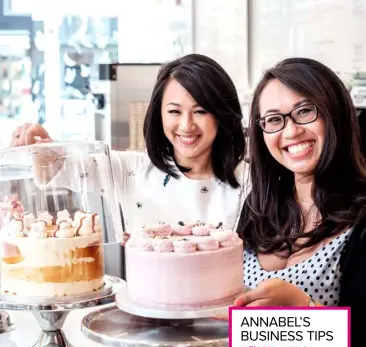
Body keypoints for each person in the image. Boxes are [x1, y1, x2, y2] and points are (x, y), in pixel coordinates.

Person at [226, 57, 366, 347]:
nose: (290, 131)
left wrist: (303, 309)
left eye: (304, 111)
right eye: (274, 120)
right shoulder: (260, 206)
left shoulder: (361, 219)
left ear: (336, 115)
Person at [10, 54, 248, 233]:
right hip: (140, 299)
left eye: (201, 111)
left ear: (221, 115)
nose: (186, 125)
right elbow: (63, 167)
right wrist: (42, 149)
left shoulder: (249, 180)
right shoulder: (129, 170)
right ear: (159, 115)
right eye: (174, 111)